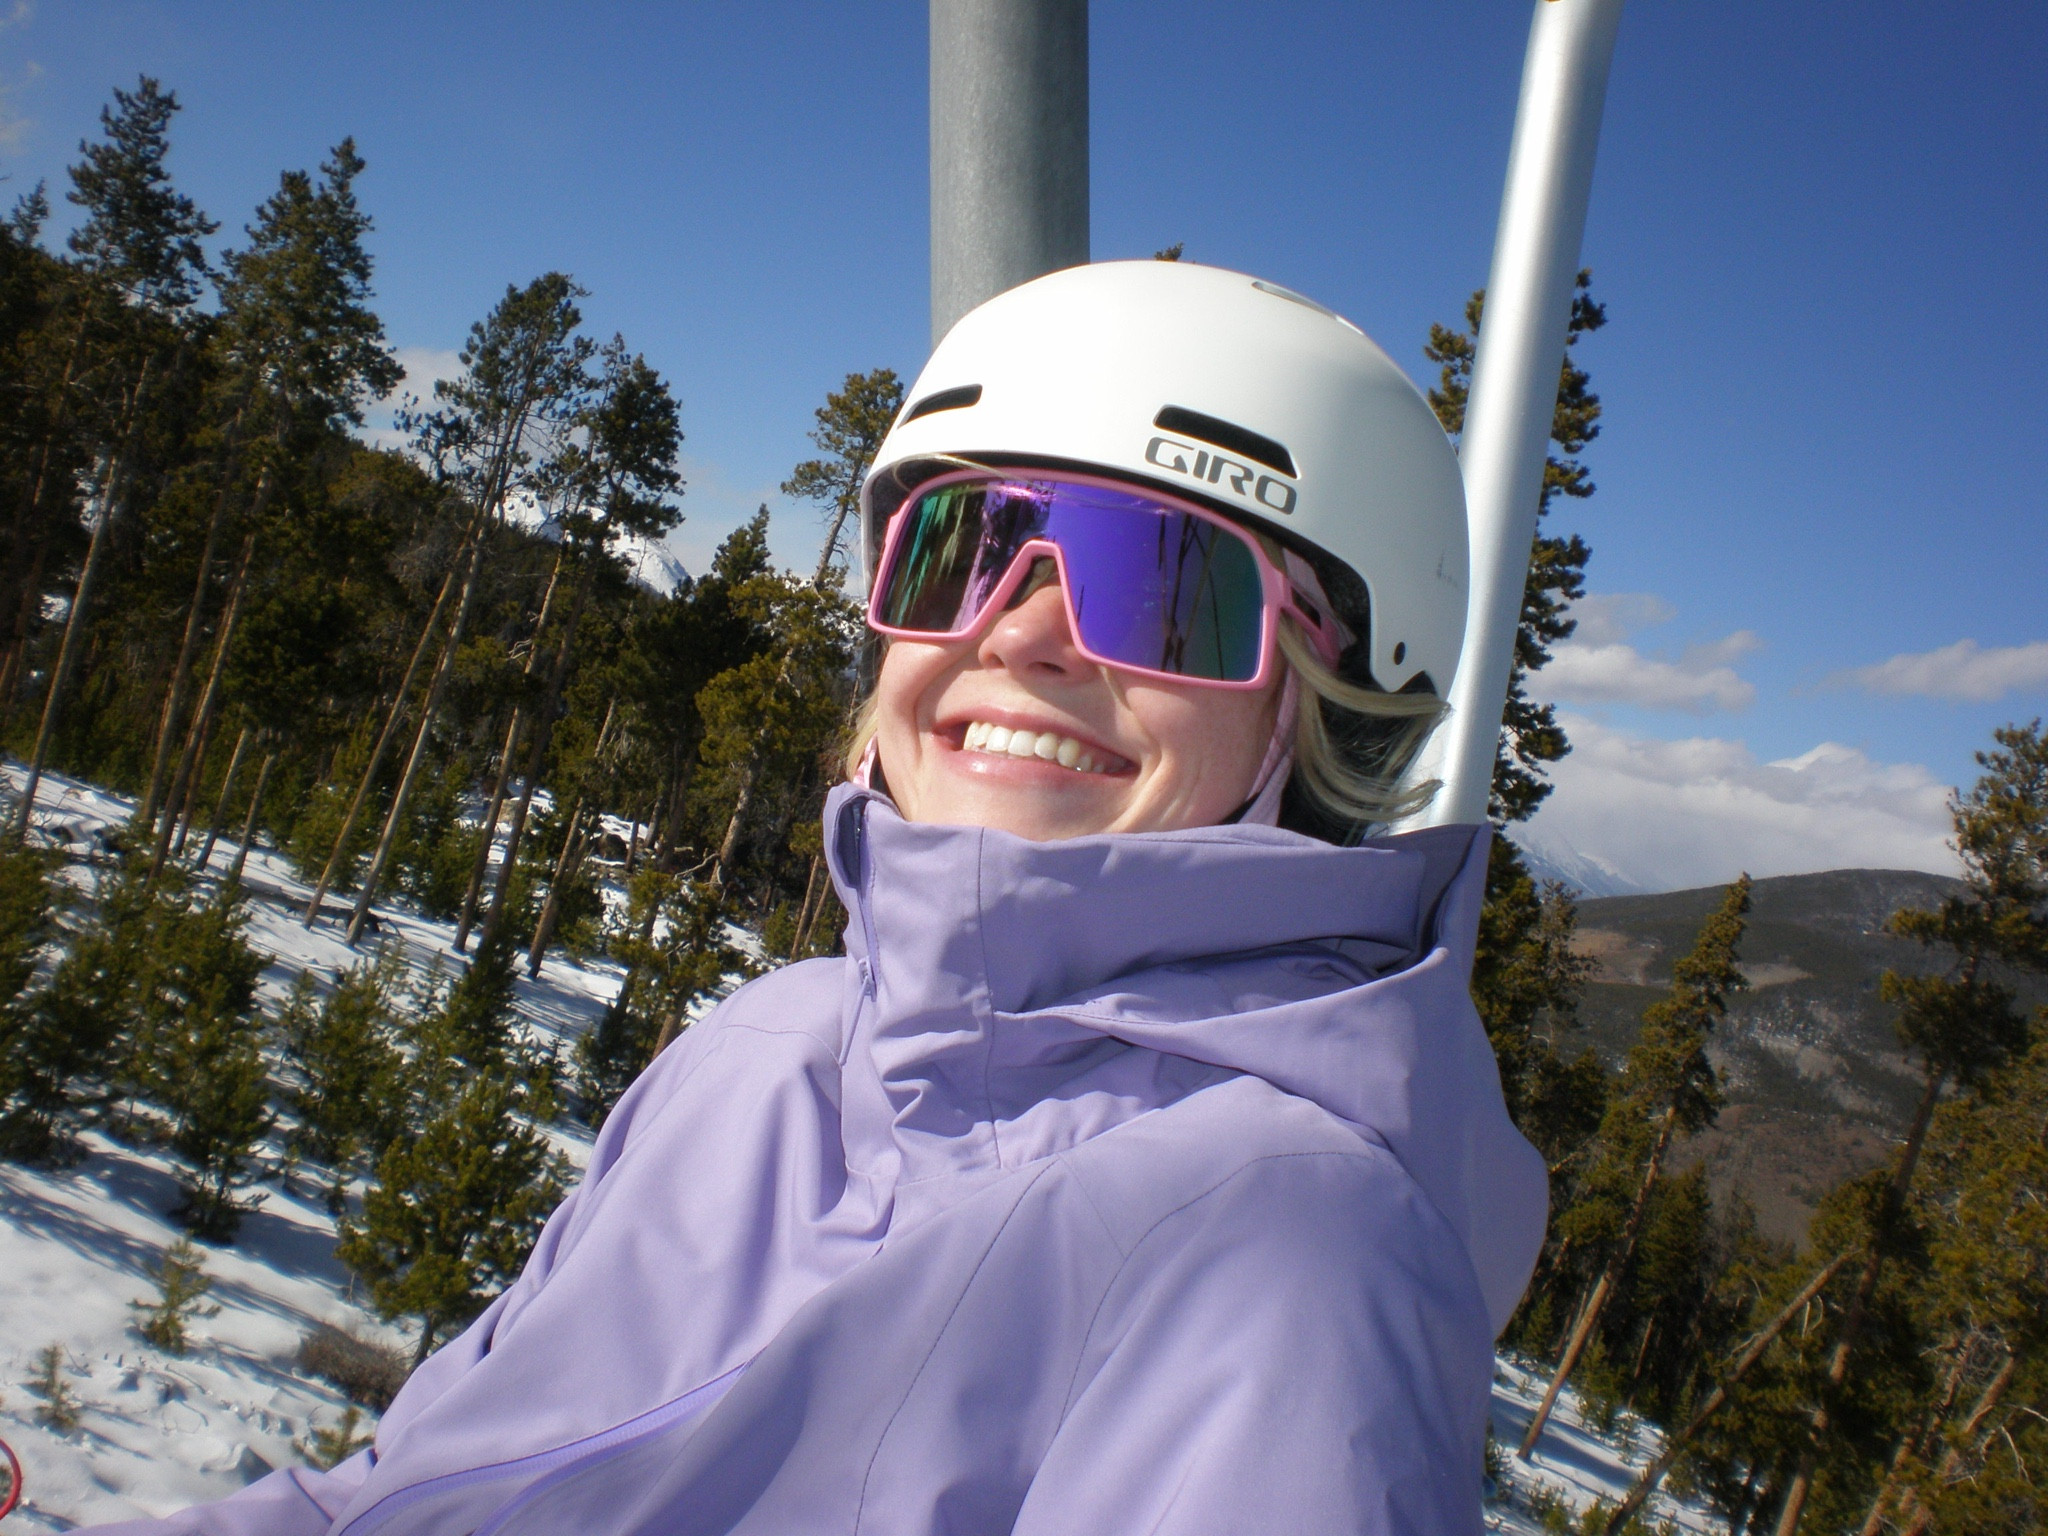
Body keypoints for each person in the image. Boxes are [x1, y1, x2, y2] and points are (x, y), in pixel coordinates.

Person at [99, 261, 1546, 1535]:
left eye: (1165, 585)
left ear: (1330, 707)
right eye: (962, 548)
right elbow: (414, 1491)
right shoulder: (764, 1052)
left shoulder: (1295, 1250)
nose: (1022, 631)